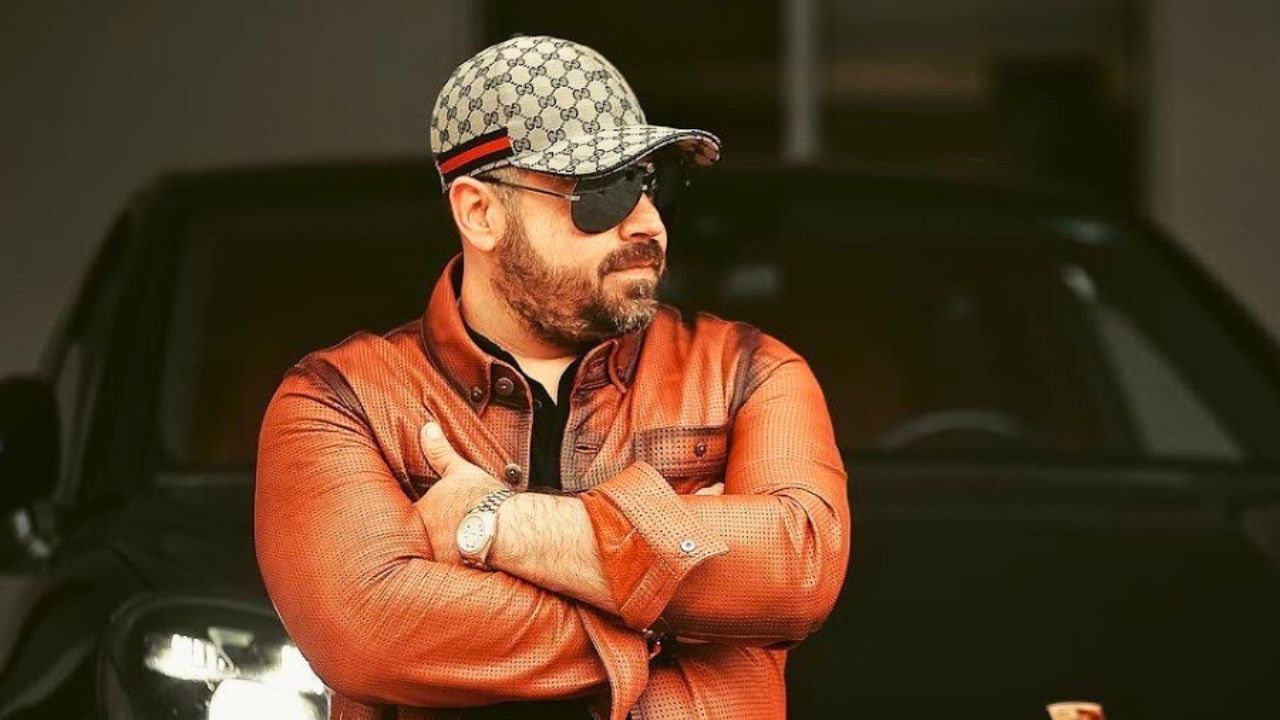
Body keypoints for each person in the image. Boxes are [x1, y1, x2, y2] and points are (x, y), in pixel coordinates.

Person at [255, 35, 851, 720]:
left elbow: (797, 571)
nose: (648, 223)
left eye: (651, 184)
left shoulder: (747, 371)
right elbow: (372, 633)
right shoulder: (342, 398)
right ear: (480, 212)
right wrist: (674, 615)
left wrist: (494, 523)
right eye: (601, 191)